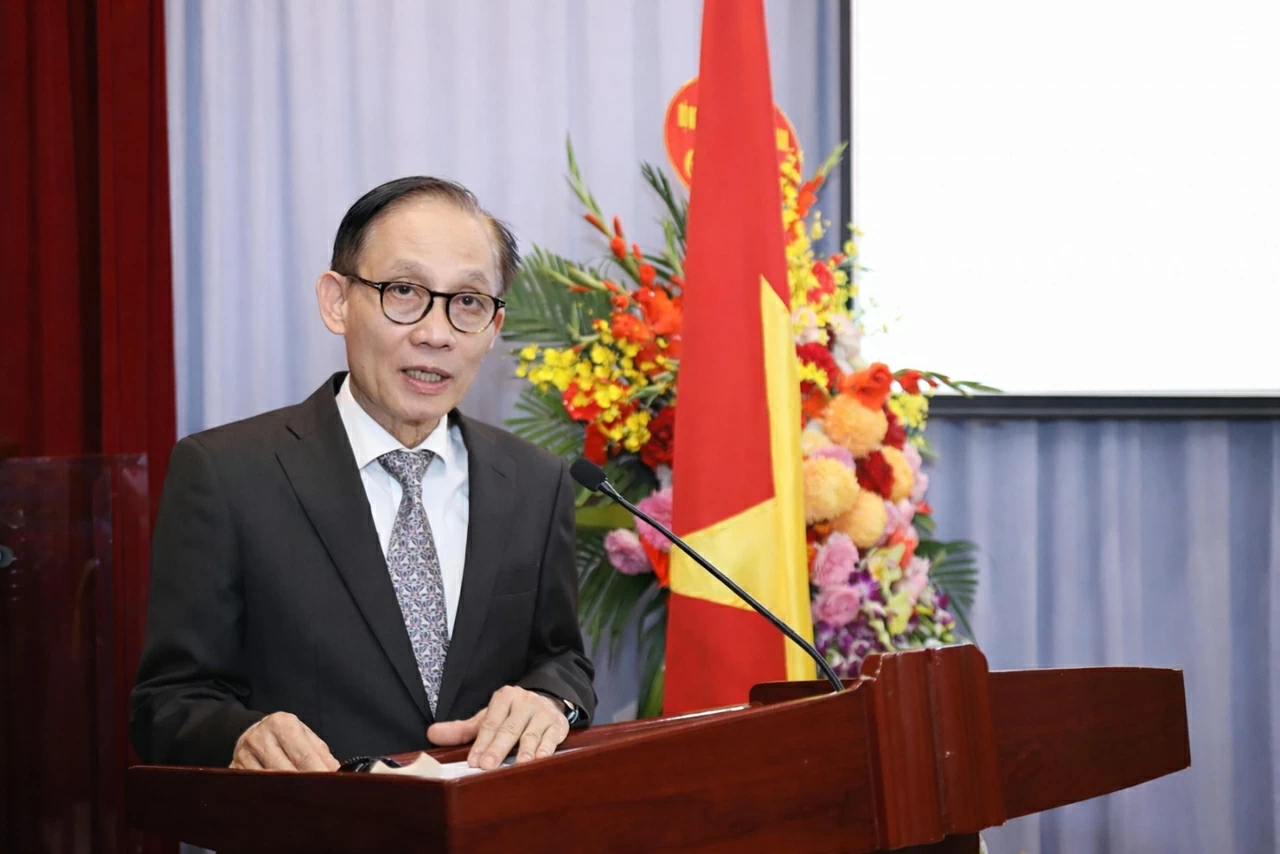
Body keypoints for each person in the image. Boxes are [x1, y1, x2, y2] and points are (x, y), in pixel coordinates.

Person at [131, 177, 595, 772]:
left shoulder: (536, 480)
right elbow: (167, 703)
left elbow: (561, 658)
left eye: (469, 302)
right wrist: (239, 736)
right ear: (337, 301)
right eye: (404, 291)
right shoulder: (227, 474)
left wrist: (552, 699)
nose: (435, 332)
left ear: (494, 328)